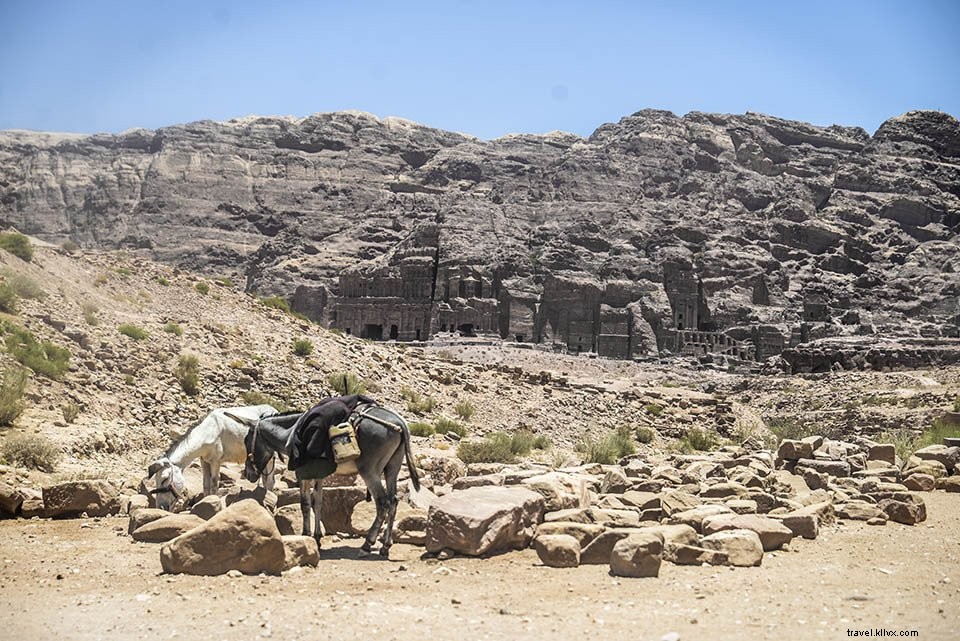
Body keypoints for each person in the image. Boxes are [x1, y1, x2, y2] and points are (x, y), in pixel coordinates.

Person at [285, 393, 377, 470]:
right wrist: (373, 402)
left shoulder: (313, 413)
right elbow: (359, 396)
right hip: (340, 411)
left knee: (314, 445)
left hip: (324, 418)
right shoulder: (345, 399)